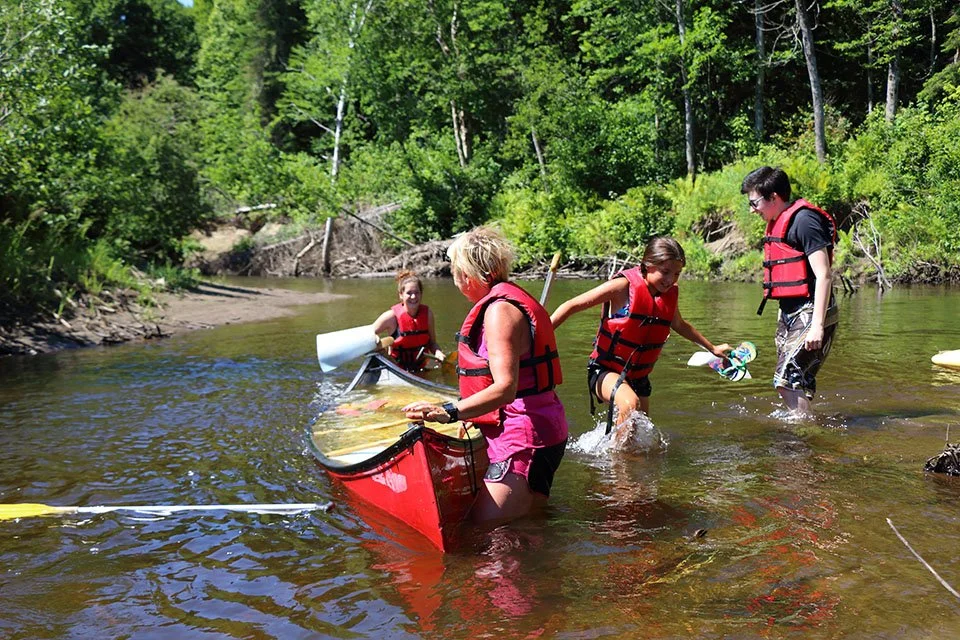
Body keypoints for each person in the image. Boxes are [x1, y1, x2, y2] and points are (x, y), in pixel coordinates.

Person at [402, 227, 568, 525]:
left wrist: (449, 411)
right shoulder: (506, 301)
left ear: (467, 275)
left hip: (526, 436)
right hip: (542, 426)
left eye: (456, 272)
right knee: (529, 526)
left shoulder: (499, 312)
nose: (456, 280)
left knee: (487, 536)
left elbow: (505, 388)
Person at [551, 237, 729, 432]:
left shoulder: (667, 295)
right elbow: (570, 306)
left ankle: (625, 456)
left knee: (639, 435)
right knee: (630, 404)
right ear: (647, 265)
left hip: (639, 376)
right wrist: (540, 334)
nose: (671, 280)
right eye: (665, 272)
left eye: (677, 274)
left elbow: (679, 324)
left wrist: (712, 348)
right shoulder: (622, 287)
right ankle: (618, 462)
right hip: (605, 370)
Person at [741, 166, 838, 416]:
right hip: (790, 312)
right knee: (795, 380)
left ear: (774, 197)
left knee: (787, 377)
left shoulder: (805, 222)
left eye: (754, 203)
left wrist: (817, 325)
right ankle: (804, 430)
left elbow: (824, 274)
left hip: (813, 310)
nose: (752, 210)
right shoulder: (778, 223)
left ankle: (803, 433)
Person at [372, 270, 443, 372]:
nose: (413, 297)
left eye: (417, 293)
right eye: (409, 293)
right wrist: (379, 347)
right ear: (401, 295)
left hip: (420, 369)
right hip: (395, 369)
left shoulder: (428, 314)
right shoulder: (391, 317)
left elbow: (432, 343)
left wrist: (438, 352)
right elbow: (368, 336)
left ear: (421, 294)